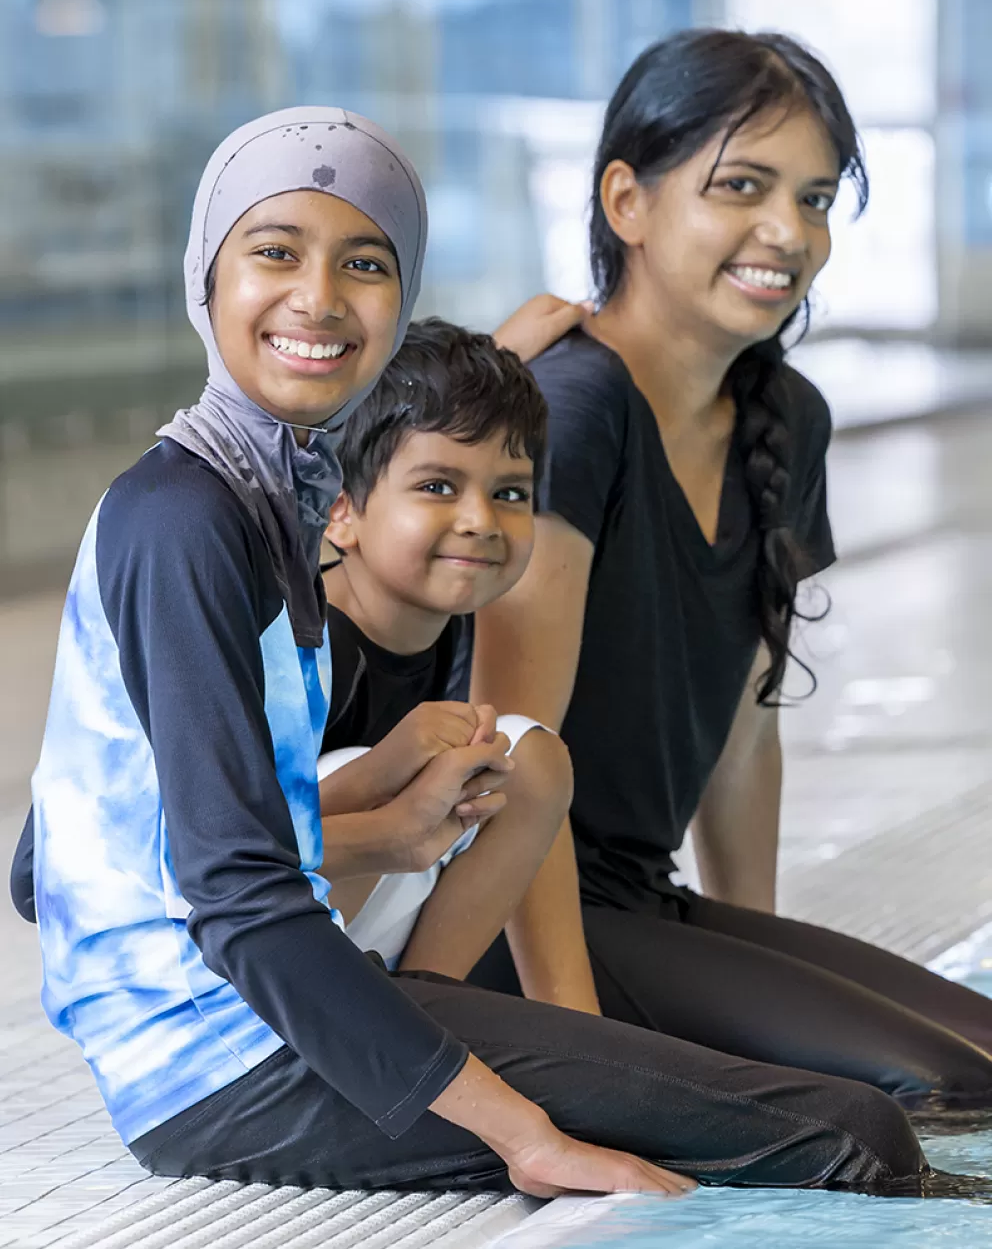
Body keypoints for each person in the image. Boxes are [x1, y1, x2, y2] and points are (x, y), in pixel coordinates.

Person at [19, 105, 927, 1197]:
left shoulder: (262, 506)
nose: (319, 297)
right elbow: (240, 900)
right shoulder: (186, 521)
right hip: (226, 1064)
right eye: (274, 252)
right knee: (851, 1137)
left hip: (265, 1030)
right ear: (204, 278)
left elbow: (51, 853)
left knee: (851, 1122)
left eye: (365, 264)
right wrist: (523, 1132)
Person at [470, 28, 992, 1113]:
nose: (786, 233)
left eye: (813, 199)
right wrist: (576, 1046)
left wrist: (757, 959)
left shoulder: (783, 416)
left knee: (979, 1051)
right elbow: (507, 760)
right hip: (509, 924)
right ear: (627, 201)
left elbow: (745, 736)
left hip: (642, 902)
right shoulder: (573, 409)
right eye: (742, 186)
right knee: (939, 1086)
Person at [312, 318, 600, 1008]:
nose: (481, 521)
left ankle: (434, 1011)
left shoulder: (440, 621)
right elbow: (220, 851)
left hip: (349, 944)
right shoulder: (301, 644)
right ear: (340, 511)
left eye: (510, 494)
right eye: (439, 487)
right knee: (390, 765)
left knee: (527, 758)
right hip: (223, 977)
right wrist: (387, 772)